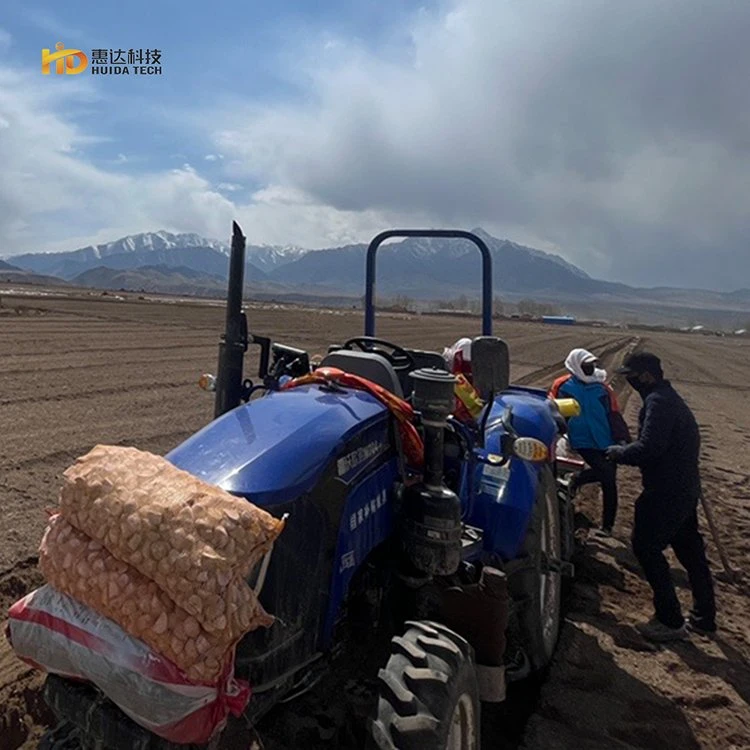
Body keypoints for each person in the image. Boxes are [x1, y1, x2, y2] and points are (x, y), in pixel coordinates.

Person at [606, 351, 716, 642]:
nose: (629, 381)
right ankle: (705, 617)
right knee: (690, 552)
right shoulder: (667, 399)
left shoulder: (659, 403)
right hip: (683, 487)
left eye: (631, 376)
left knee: (645, 547)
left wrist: (619, 453)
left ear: (646, 376)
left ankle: (669, 620)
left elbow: (649, 449)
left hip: (666, 491)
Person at [549, 348, 630, 535]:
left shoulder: (602, 388)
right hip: (581, 438)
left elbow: (613, 413)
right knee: (606, 475)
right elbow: (553, 410)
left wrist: (622, 438)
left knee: (609, 480)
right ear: (575, 365)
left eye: (592, 365)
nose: (590, 369)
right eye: (586, 366)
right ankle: (579, 481)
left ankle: (607, 525)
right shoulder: (562, 385)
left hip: (604, 438)